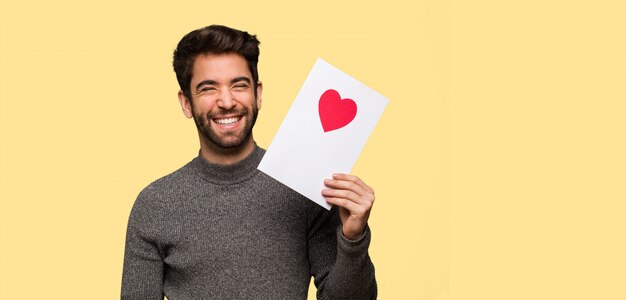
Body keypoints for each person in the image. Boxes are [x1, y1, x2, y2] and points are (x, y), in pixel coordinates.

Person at [121, 24, 377, 299]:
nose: (227, 101)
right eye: (208, 89)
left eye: (239, 85)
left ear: (258, 94)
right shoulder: (156, 204)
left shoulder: (305, 184)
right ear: (186, 103)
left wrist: (353, 238)